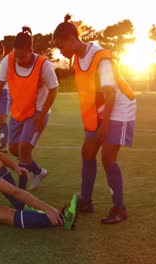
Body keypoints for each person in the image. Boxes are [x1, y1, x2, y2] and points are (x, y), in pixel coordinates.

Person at [52, 14, 137, 224]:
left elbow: (111, 94)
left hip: (118, 107)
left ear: (72, 39)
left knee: (108, 159)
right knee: (87, 151)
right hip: (99, 110)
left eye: (61, 45)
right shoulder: (78, 58)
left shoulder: (100, 57)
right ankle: (86, 202)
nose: (60, 50)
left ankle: (119, 208)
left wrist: (105, 124)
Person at [0, 26, 59, 191]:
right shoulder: (9, 60)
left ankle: (21, 192)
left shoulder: (44, 65)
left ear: (31, 50)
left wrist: (42, 115)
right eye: (16, 55)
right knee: (14, 149)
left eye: (22, 56)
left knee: (24, 148)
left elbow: (54, 89)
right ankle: (38, 172)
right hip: (18, 110)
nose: (18, 60)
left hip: (37, 112)